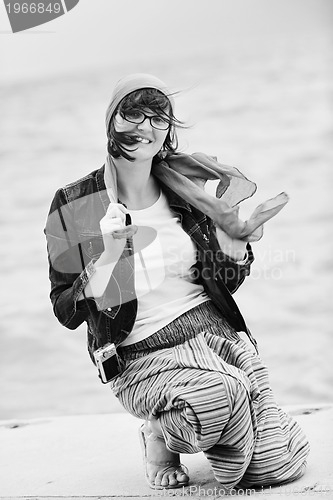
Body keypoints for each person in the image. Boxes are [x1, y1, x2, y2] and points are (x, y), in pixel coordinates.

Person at [45, 73, 309, 491]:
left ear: (169, 129)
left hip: (217, 337)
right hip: (139, 356)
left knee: (272, 469)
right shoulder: (75, 202)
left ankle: (236, 415)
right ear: (112, 121)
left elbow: (226, 283)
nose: (145, 127)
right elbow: (65, 309)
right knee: (220, 394)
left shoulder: (189, 192)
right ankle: (161, 433)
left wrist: (234, 245)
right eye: (134, 113)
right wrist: (109, 256)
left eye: (158, 117)